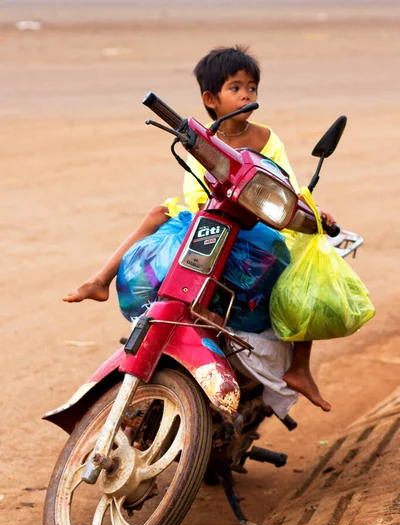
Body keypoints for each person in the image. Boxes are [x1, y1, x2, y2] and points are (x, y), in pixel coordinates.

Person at [63, 45, 333, 414]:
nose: (247, 95)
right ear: (211, 99)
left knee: (308, 267)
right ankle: (100, 281)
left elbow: (285, 183)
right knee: (159, 213)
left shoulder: (267, 138)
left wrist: (315, 214)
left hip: (253, 220)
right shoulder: (202, 139)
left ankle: (300, 368)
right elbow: (195, 191)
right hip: (210, 214)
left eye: (252, 88)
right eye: (235, 88)